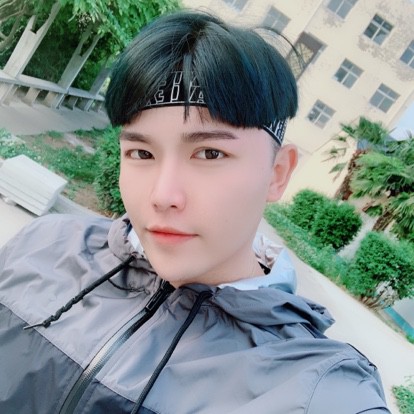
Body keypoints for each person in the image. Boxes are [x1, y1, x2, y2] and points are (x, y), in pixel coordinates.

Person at [0, 10, 390, 414]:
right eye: (142, 153)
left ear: (277, 174)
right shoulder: (43, 247)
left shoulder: (313, 389)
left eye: (210, 153)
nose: (162, 196)